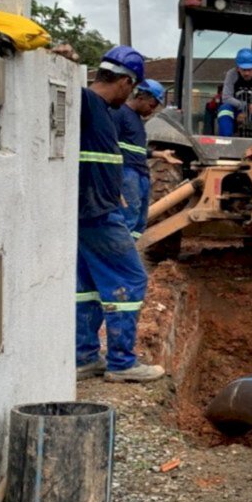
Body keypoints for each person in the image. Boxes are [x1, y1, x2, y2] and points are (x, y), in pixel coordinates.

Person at [75, 46, 165, 383]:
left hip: (91, 211)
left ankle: (84, 358)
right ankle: (122, 362)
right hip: (98, 214)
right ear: (126, 81)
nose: (133, 94)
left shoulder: (98, 110)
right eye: (133, 86)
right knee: (130, 278)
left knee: (87, 285)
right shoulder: (86, 101)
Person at [112, 78, 165, 241]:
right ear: (141, 97)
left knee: (139, 223)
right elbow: (111, 145)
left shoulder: (137, 119)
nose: (152, 110)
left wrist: (158, 154)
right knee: (128, 219)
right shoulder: (119, 114)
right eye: (152, 105)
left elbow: (136, 150)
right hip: (127, 173)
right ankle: (119, 258)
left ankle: (130, 252)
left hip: (140, 173)